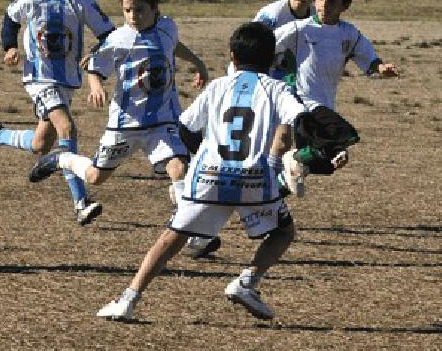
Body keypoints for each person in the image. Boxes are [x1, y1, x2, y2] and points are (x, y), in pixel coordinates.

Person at [95, 21, 308, 322]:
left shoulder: (219, 85)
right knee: (283, 232)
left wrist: (200, 152)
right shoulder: (277, 88)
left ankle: (127, 300)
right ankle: (247, 283)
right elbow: (297, 121)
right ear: (271, 59)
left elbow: (186, 128)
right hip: (254, 180)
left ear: (232, 56)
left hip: (209, 176)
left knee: (171, 238)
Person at [28, 0, 208, 219]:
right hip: (125, 125)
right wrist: (96, 86)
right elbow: (94, 67)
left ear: (155, 8)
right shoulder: (119, 39)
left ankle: (186, 223)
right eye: (127, 10)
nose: (132, 16)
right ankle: (64, 159)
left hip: (161, 122)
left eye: (139, 10)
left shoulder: (167, 27)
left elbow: (173, 44)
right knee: (95, 177)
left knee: (179, 168)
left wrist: (197, 61)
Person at [188, 0, 331, 258]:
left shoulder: (314, 21)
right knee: (247, 163)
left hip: (281, 91)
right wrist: (234, 86)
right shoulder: (270, 16)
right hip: (255, 91)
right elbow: (246, 49)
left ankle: (269, 193)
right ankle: (204, 220)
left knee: (281, 149)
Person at [0, 0, 115, 225]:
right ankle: (81, 202)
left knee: (42, 144)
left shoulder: (82, 2)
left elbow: (108, 34)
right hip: (39, 78)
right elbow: (10, 18)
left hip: (66, 80)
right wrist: (9, 47)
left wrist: (96, 55)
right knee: (67, 127)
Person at [273, 0, 399, 179]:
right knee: (345, 134)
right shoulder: (299, 29)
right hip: (302, 103)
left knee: (323, 164)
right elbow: (266, 44)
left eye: (332, 0)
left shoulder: (349, 34)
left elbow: (369, 58)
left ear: (345, 6)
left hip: (325, 104)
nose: (325, 5)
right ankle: (294, 158)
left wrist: (380, 67)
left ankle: (276, 191)